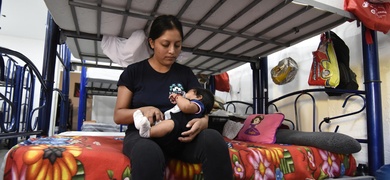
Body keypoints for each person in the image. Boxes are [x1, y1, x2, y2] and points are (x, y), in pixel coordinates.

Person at [114, 15, 233, 180]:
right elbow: (118, 115)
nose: (172, 51)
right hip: (146, 135)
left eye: (177, 45)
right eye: (165, 44)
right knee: (148, 153)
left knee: (213, 138)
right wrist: (143, 110)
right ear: (151, 43)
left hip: (180, 136)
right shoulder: (133, 72)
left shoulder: (185, 74)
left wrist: (203, 121)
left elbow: (201, 104)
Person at [133, 87, 214, 154]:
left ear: (199, 97)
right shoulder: (192, 104)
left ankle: (147, 132)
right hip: (172, 128)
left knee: (169, 124)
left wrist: (178, 96)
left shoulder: (198, 105)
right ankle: (141, 123)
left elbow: (186, 107)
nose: (185, 94)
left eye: (188, 92)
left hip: (177, 130)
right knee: (162, 122)